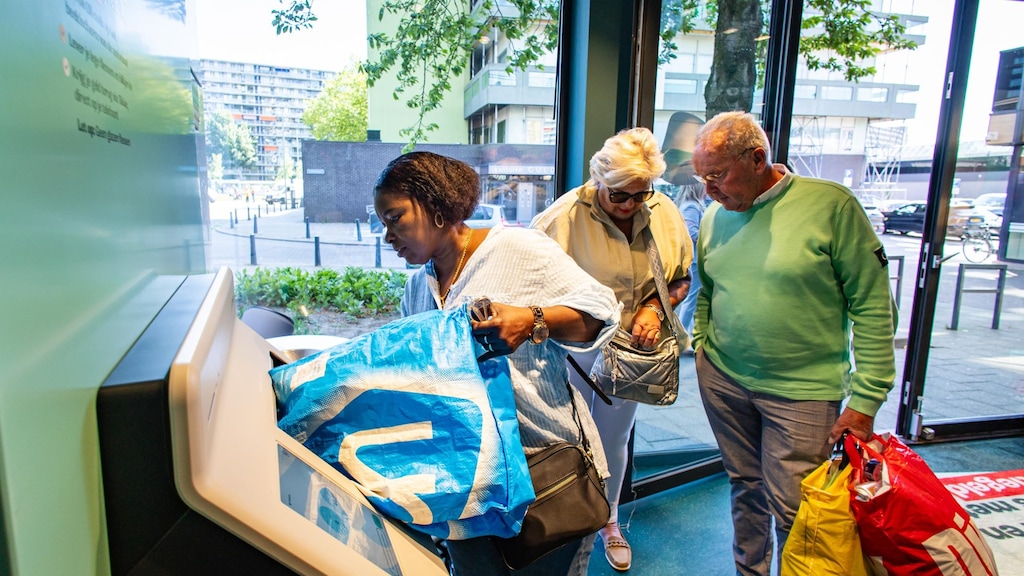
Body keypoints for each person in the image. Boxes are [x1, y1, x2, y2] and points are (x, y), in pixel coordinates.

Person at [373, 151, 622, 576]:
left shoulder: (516, 248)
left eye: (395, 218)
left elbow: (602, 314)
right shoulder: (417, 289)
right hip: (466, 480)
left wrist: (532, 320)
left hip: (544, 465)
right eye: (383, 223)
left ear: (435, 205)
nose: (387, 236)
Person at [690, 111, 897, 576]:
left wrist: (866, 400)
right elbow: (709, 290)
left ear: (757, 159)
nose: (709, 190)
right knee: (745, 488)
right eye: (703, 178)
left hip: (802, 392)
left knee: (797, 509)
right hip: (723, 377)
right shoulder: (716, 216)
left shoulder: (831, 206)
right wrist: (702, 346)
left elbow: (873, 306)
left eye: (717, 175)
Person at [532, 127, 693, 572]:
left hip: (630, 351)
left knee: (613, 439)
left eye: (641, 194)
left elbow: (681, 278)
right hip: (571, 349)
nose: (629, 205)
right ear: (598, 178)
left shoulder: (663, 211)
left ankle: (609, 520)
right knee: (564, 438)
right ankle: (566, 520)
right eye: (619, 194)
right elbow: (528, 285)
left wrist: (654, 308)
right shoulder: (562, 217)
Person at [674, 182, 707, 339]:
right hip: (694, 260)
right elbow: (691, 232)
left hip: (694, 259)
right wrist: (710, 236)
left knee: (692, 299)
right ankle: (681, 336)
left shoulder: (689, 204)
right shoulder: (692, 206)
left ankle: (685, 335)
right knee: (691, 299)